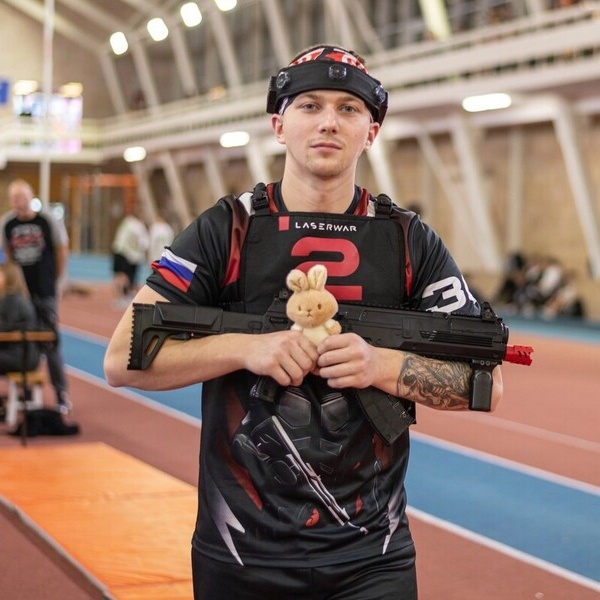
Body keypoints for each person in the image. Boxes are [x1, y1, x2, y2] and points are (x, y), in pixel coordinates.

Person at [104, 45, 503, 600]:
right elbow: (121, 360)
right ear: (279, 124)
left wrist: (380, 366)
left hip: (373, 558)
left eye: (348, 108)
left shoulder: (410, 241)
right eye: (310, 105)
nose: (328, 122)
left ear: (371, 131)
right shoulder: (226, 230)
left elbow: (487, 384)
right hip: (240, 552)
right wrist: (246, 348)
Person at [1, 179, 71, 414]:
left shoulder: (46, 221)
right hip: (21, 295)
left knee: (50, 342)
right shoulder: (7, 224)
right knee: (23, 342)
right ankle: (27, 391)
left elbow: (61, 249)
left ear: (30, 197)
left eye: (21, 197)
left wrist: (56, 280)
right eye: (14, 198)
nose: (18, 202)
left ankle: (61, 394)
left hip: (45, 291)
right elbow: (8, 256)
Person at [0, 260, 41, 374]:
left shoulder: (13, 301)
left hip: (20, 356)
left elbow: (5, 328)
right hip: (19, 354)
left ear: (9, 278)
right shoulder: (11, 299)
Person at [111, 207, 150, 306]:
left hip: (119, 250)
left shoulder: (127, 221)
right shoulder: (140, 227)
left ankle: (119, 297)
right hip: (131, 255)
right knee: (128, 277)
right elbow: (144, 243)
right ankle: (127, 296)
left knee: (118, 276)